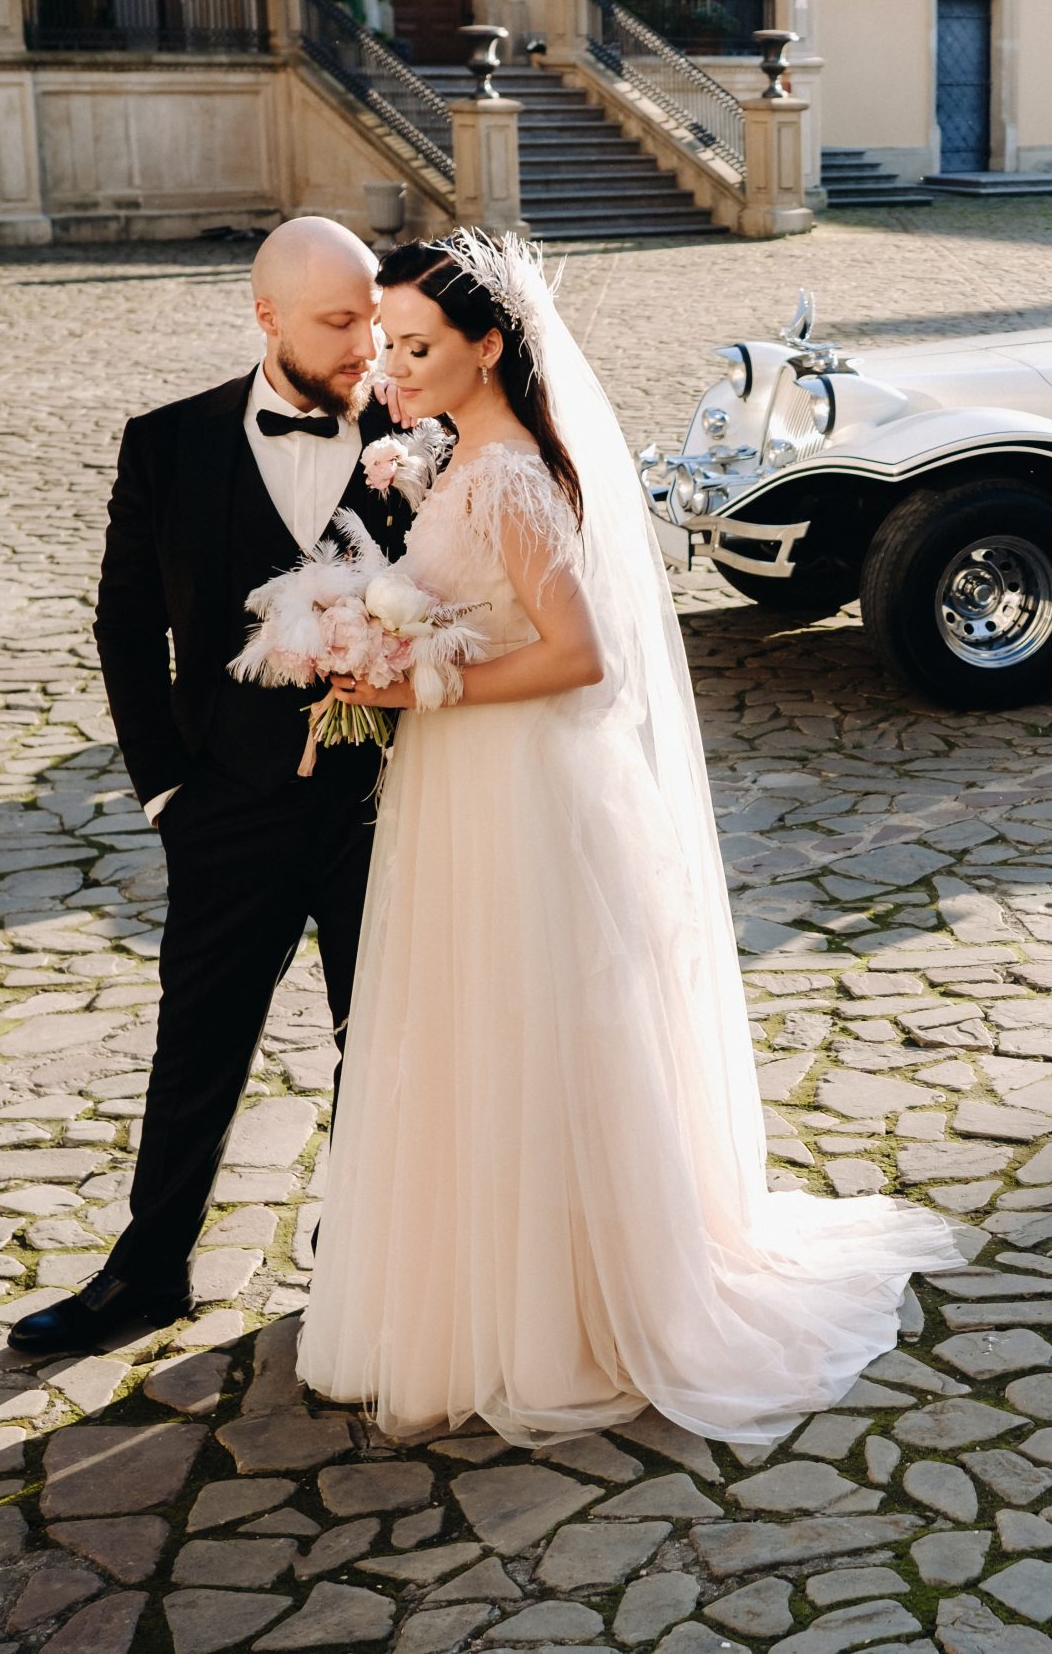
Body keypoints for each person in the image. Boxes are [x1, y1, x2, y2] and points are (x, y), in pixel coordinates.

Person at [292, 230, 968, 1444]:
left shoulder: (507, 478)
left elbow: (577, 655)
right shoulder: (457, 460)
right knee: (469, 1031)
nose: (392, 365)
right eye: (388, 344)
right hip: (463, 784)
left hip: (518, 790)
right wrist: (383, 641)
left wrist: (413, 687)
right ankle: (475, 1295)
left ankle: (565, 1313)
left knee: (536, 1031)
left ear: (489, 346)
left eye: (417, 345)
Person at [12, 219, 416, 1357]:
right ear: (268, 318)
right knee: (196, 1043)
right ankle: (147, 1271)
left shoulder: (421, 437)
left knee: (381, 1042)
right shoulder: (168, 445)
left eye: (373, 316)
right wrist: (163, 796)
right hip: (225, 809)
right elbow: (126, 627)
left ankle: (368, 1260)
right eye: (339, 322)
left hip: (387, 809)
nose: (365, 343)